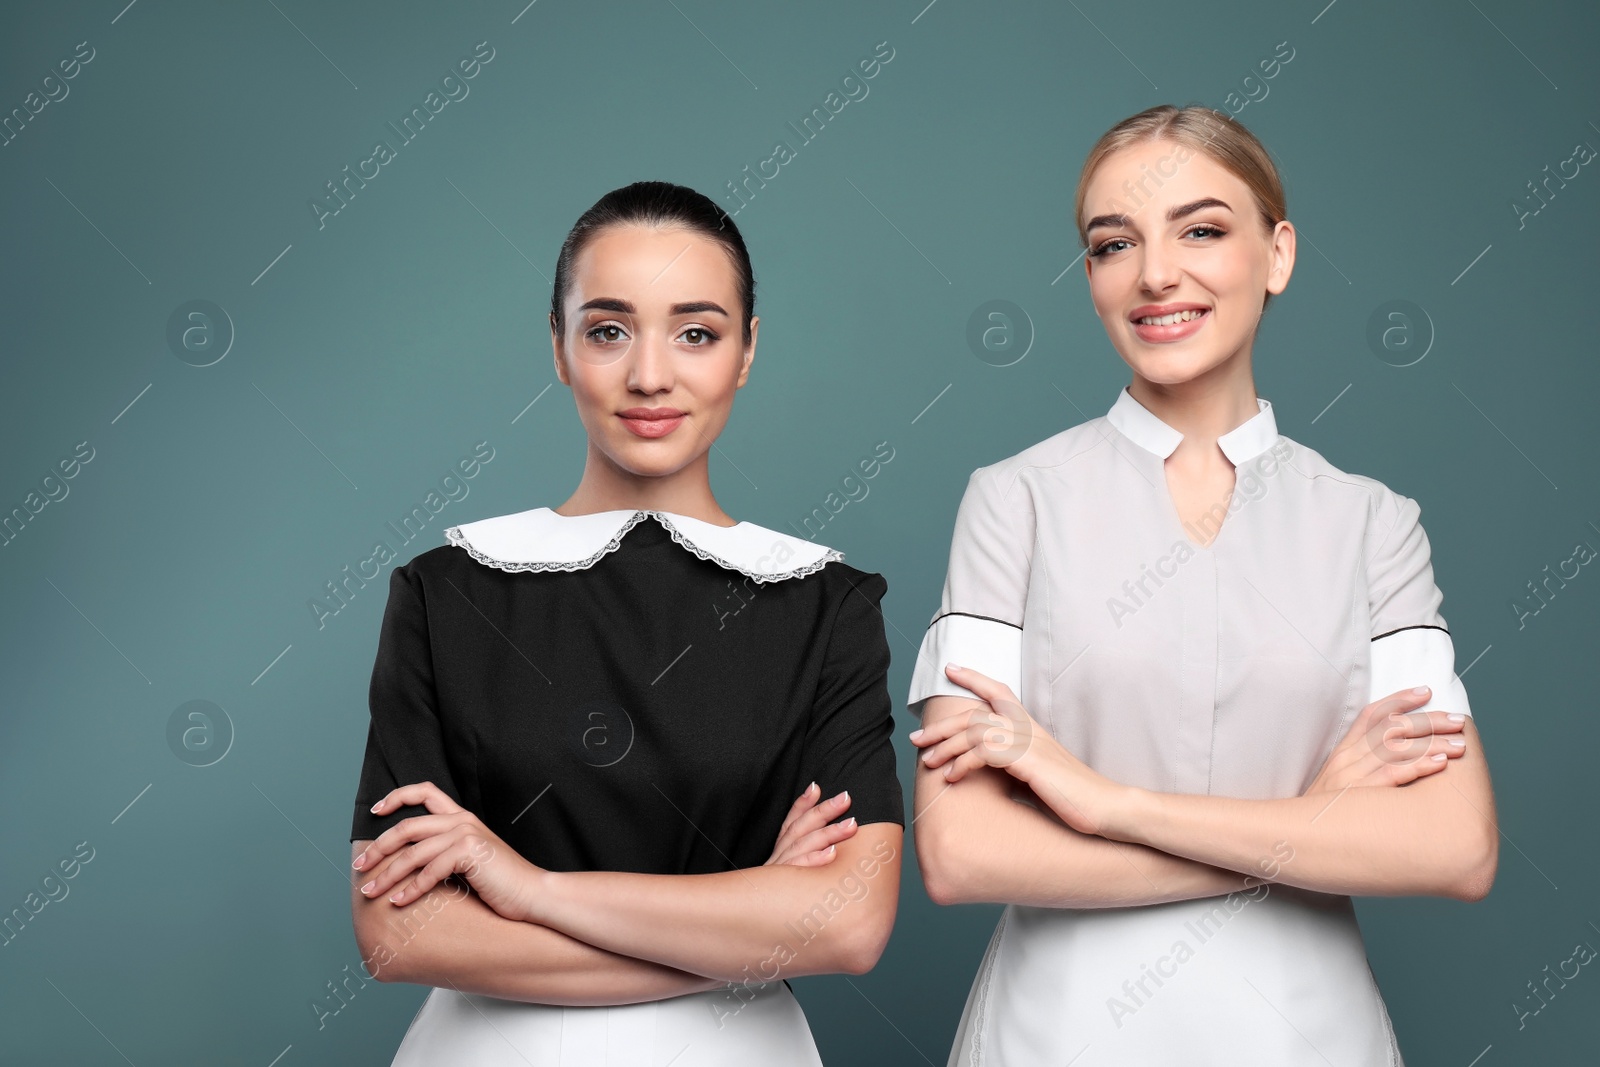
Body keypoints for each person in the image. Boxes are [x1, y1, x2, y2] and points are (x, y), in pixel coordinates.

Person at [906, 105, 1498, 1066]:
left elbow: (1454, 846)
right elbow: (962, 852)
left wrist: (1107, 802)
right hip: (1063, 1033)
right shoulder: (1012, 501)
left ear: (1278, 253)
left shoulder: (1372, 523)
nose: (1154, 275)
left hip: (1305, 1035)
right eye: (1113, 244)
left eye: (1203, 229)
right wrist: (1309, 822)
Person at [347, 180, 904, 1065]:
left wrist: (525, 888)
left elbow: (851, 924)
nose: (651, 375)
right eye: (608, 330)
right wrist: (747, 915)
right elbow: (400, 935)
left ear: (746, 351)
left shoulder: (825, 603)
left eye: (697, 332)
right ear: (559, 347)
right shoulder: (443, 593)